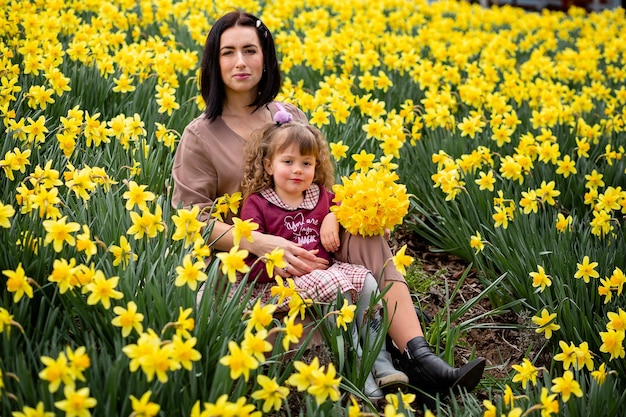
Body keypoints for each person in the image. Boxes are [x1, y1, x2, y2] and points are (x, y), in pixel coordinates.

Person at [170, 9, 485, 401]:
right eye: (228, 52)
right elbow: (188, 220)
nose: (240, 62)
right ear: (213, 63)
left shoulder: (289, 116)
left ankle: (418, 356)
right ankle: (374, 361)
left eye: (250, 50)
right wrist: (259, 243)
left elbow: (320, 186)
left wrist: (336, 215)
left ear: (265, 56)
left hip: (309, 241)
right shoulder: (200, 135)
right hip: (249, 258)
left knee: (362, 229)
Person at [239, 115, 400, 400]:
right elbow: (248, 261)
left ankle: (382, 362)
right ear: (268, 165)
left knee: (367, 283)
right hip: (283, 285)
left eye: (306, 163)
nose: (297, 170)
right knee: (337, 294)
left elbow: (350, 205)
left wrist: (332, 216)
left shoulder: (322, 196)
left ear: (316, 165)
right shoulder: (258, 204)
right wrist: (284, 269)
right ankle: (359, 370)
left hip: (328, 273)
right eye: (287, 162)